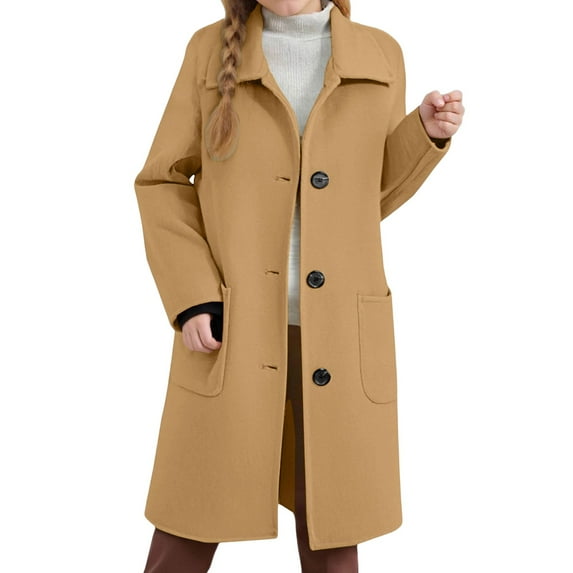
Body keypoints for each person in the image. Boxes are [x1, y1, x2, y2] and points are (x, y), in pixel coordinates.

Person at [134, 0, 464, 571]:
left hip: (337, 331)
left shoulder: (379, 55)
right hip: (232, 330)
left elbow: (368, 196)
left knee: (334, 524)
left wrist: (423, 136)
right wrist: (192, 296)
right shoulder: (208, 50)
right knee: (190, 518)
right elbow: (162, 181)